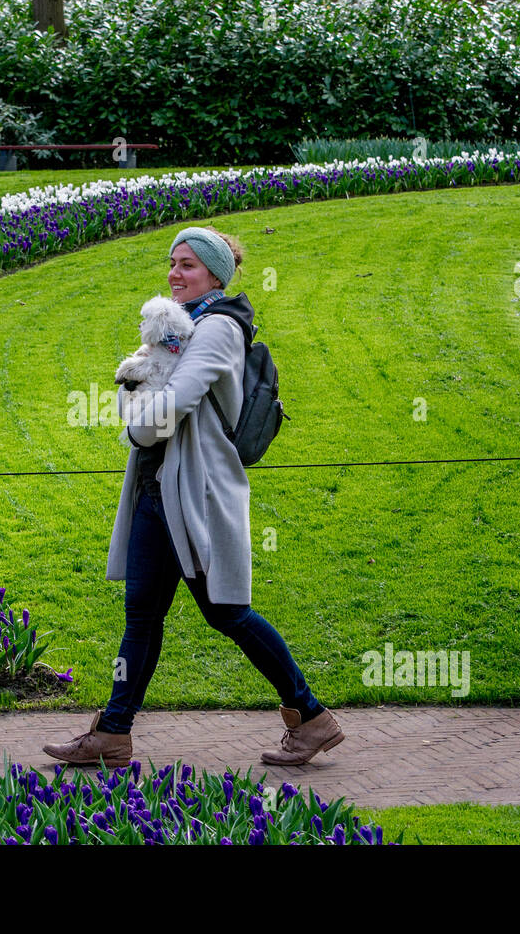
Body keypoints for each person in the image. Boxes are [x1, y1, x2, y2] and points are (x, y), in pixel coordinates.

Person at [42, 225, 345, 769]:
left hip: (196, 496)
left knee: (228, 613)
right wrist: (136, 397)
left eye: (187, 265)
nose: (174, 273)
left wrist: (135, 429)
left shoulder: (220, 328)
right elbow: (139, 385)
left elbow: (175, 401)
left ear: (215, 275)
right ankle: (113, 732)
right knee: (142, 617)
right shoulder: (181, 328)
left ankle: (311, 715)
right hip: (159, 492)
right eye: (172, 262)